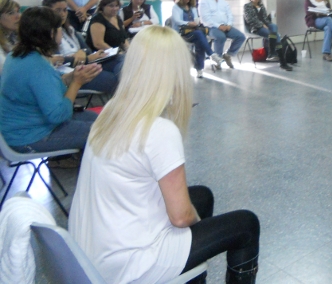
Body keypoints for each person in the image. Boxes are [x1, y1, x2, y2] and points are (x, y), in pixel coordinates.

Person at [69, 26, 260, 284]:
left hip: (91, 254)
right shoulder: (159, 131)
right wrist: (196, 222)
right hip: (128, 265)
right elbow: (181, 217)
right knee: (246, 225)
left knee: (202, 196)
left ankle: (190, 275)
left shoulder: (112, 109)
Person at [0, 7, 101, 152]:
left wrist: (69, 78)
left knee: (96, 119)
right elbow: (58, 115)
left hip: (17, 129)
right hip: (30, 136)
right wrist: (77, 83)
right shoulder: (37, 66)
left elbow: (42, 88)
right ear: (51, 33)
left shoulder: (17, 55)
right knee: (104, 132)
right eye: (59, 28)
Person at [43, 0, 123, 94]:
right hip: (71, 72)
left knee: (121, 60)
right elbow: (56, 60)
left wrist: (81, 52)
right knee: (114, 80)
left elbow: (87, 49)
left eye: (65, 10)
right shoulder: (46, 34)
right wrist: (84, 58)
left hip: (86, 63)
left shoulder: (69, 29)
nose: (63, 14)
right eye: (58, 10)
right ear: (47, 12)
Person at [172, 0, 219, 78]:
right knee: (199, 35)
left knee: (199, 41)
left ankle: (200, 69)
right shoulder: (176, 7)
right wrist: (188, 23)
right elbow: (177, 21)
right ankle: (211, 55)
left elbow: (196, 19)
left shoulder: (192, 7)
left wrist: (197, 22)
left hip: (193, 32)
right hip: (181, 33)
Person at [199, 0, 245, 70]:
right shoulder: (204, 2)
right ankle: (218, 60)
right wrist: (219, 26)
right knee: (221, 37)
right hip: (211, 27)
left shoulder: (223, 2)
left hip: (226, 26)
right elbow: (205, 19)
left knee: (241, 36)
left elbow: (230, 15)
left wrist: (229, 24)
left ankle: (227, 55)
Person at [243, 0, 292, 71]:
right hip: (255, 28)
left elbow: (265, 19)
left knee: (274, 26)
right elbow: (250, 20)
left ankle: (272, 53)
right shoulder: (247, 6)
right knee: (276, 36)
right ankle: (282, 62)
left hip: (264, 26)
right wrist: (262, 25)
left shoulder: (261, 6)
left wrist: (270, 17)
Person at [0, 0, 21, 75]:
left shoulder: (13, 36)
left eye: (18, 12)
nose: (18, 16)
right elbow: (5, 70)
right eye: (11, 13)